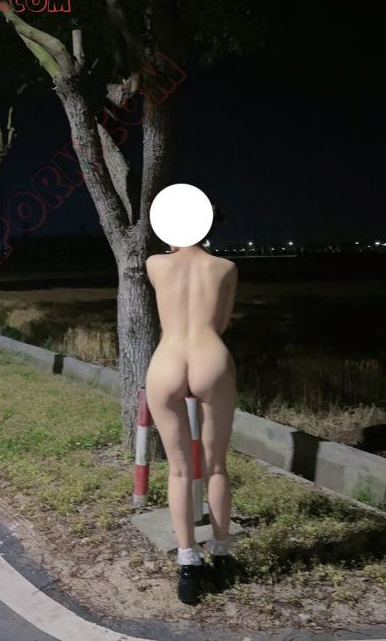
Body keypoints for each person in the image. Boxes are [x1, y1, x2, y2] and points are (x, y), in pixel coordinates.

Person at [144, 205, 239, 604]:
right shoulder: (225, 268)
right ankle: (221, 555)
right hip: (210, 357)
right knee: (216, 467)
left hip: (166, 361)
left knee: (180, 470)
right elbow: (221, 323)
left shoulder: (155, 265)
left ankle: (187, 564)